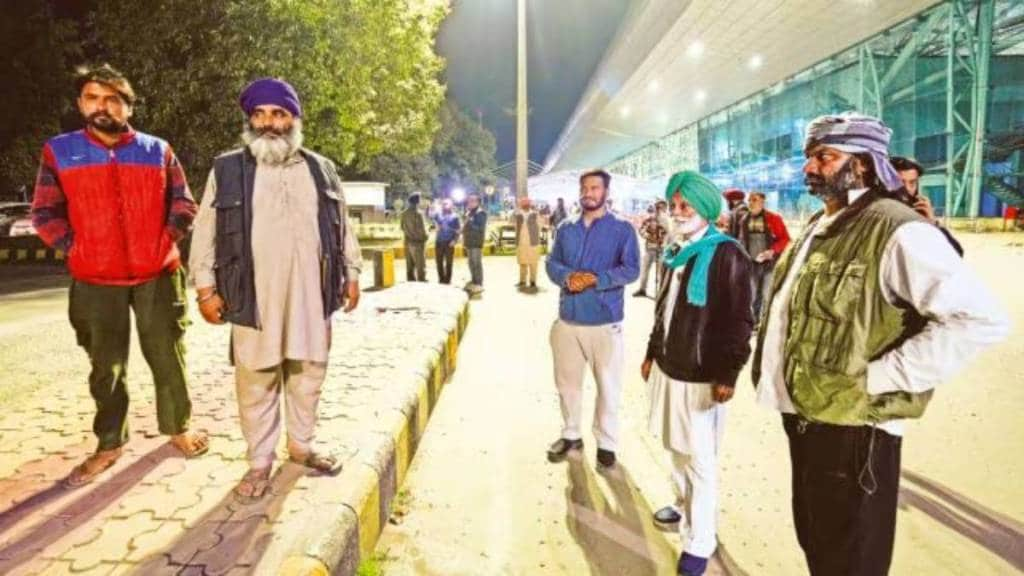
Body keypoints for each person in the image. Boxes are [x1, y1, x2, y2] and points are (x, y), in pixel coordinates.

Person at [753, 113, 1010, 576]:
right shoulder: (823, 223)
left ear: (866, 165)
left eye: (826, 157)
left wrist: (878, 378)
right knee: (819, 542)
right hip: (810, 414)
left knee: (852, 558)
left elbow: (980, 319)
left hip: (856, 429)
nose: (810, 168)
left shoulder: (897, 229)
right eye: (810, 157)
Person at [31, 64, 209, 486]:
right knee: (105, 367)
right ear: (81, 104)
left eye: (113, 98)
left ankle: (178, 428)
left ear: (128, 106)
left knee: (168, 357)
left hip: (157, 276)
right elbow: (44, 212)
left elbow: (184, 203)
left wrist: (164, 240)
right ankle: (110, 442)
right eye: (93, 98)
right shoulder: (59, 151)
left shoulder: (156, 150)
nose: (102, 106)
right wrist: (76, 248)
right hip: (95, 281)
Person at [189, 77, 362, 499]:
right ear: (250, 119)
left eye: (279, 114)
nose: (269, 123)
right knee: (257, 380)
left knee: (308, 374)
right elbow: (205, 231)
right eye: (260, 114)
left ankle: (301, 447)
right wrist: (205, 289)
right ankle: (259, 463)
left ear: (294, 119)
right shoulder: (227, 169)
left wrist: (352, 273)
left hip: (311, 294)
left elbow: (342, 226)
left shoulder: (321, 168)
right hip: (253, 296)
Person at [642, 171, 753, 576]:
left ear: (705, 209)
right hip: (670, 369)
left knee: (700, 460)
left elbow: (740, 320)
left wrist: (728, 373)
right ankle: (683, 503)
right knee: (675, 448)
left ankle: (700, 540)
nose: (678, 212)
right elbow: (664, 310)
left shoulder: (728, 254)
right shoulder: (679, 250)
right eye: (674, 206)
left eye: (685, 206)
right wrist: (652, 352)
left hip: (703, 376)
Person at [545, 169, 640, 469]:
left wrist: (595, 280)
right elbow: (551, 262)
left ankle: (607, 442)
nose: (588, 192)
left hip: (604, 321)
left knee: (608, 387)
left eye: (595, 188)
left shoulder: (622, 229)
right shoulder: (565, 228)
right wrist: (566, 277)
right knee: (567, 384)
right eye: (584, 187)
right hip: (568, 320)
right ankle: (571, 433)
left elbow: (631, 269)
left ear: (605, 192)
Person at [890, 156, 963, 256]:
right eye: (900, 182)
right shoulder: (881, 210)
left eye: (912, 183)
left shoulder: (919, 210)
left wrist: (933, 223)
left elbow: (956, 253)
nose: (907, 189)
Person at [737, 191, 790, 325]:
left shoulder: (773, 219)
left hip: (769, 264)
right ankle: (754, 322)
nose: (750, 203)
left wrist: (772, 251)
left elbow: (785, 239)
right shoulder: (744, 220)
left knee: (767, 294)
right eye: (749, 200)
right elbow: (741, 241)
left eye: (754, 200)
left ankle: (767, 323)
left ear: (762, 202)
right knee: (752, 295)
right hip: (751, 264)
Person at [633, 203, 669, 298]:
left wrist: (663, 240)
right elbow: (641, 230)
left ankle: (661, 293)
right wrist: (649, 236)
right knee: (644, 270)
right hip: (650, 249)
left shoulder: (667, 221)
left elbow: (669, 234)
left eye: (661, 209)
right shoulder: (650, 220)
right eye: (658, 208)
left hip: (661, 250)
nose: (659, 211)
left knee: (661, 273)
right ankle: (642, 289)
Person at [462, 193, 487, 293]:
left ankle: (479, 283)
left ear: (477, 202)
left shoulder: (481, 213)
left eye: (472, 200)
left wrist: (470, 221)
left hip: (476, 242)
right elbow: (465, 226)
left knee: (477, 263)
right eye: (469, 200)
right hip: (469, 241)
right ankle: (474, 280)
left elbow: (479, 228)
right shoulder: (469, 213)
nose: (469, 202)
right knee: (471, 263)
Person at [400, 193, 429, 281]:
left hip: (407, 241)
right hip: (418, 242)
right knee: (420, 264)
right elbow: (422, 229)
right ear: (417, 201)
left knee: (409, 264)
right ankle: (421, 280)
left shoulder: (404, 213)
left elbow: (402, 227)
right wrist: (426, 237)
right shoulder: (419, 213)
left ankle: (410, 280)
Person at [515, 196, 542, 289]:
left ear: (529, 205)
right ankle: (522, 281)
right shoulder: (518, 215)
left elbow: (540, 225)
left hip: (533, 242)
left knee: (533, 263)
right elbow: (514, 225)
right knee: (522, 263)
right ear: (521, 205)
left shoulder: (535, 214)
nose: (525, 206)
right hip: (521, 242)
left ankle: (533, 281)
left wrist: (534, 233)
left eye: (527, 204)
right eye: (523, 204)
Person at [432, 198, 460, 285]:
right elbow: (432, 224)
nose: (444, 205)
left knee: (449, 263)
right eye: (443, 204)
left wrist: (454, 240)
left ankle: (447, 280)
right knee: (439, 262)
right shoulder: (437, 215)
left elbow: (458, 230)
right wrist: (434, 226)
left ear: (451, 205)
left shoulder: (455, 217)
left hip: (449, 243)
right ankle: (441, 279)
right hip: (439, 242)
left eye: (447, 204)